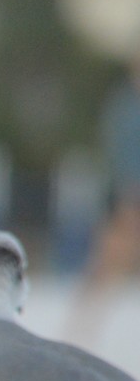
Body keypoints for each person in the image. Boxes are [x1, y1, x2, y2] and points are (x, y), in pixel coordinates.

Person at [66, 51, 140, 346]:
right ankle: (81, 330)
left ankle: (81, 329)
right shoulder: (126, 107)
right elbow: (122, 158)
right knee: (106, 266)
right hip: (128, 198)